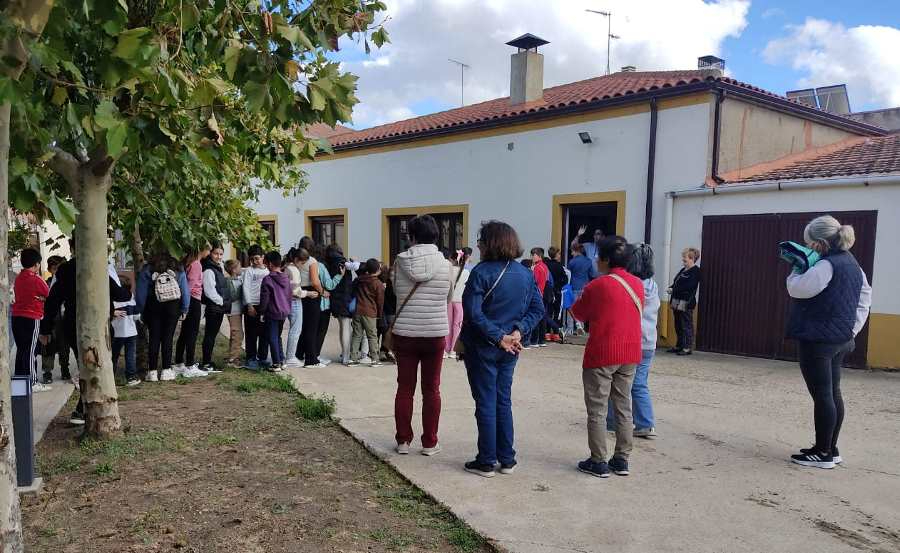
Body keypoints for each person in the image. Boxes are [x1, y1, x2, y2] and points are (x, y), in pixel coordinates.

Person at [785, 216, 871, 469]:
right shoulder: (853, 264)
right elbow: (865, 299)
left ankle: (822, 453)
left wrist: (797, 266)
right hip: (840, 339)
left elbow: (798, 289)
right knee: (832, 393)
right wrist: (852, 330)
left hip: (818, 341)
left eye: (808, 243)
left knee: (823, 396)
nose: (807, 247)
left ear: (819, 243)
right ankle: (830, 449)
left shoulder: (825, 265)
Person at [461, 221, 545, 477]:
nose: (478, 245)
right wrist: (518, 332)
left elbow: (473, 312)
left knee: (486, 402)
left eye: (481, 240)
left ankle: (487, 460)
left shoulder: (481, 272)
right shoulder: (525, 273)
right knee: (503, 400)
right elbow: (537, 309)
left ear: (491, 243)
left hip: (484, 345)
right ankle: (507, 458)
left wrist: (500, 337)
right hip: (511, 347)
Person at [571, 236, 644, 479]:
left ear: (605, 259)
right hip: (630, 352)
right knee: (624, 406)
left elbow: (579, 313)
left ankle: (598, 460)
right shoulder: (637, 284)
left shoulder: (598, 285)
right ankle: (622, 459)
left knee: (597, 409)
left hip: (603, 352)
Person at [41, 239, 133, 423]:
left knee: (86, 365)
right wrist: (127, 289)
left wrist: (46, 329)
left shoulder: (65, 270)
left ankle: (86, 407)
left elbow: (53, 301)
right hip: (98, 324)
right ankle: (86, 407)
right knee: (98, 364)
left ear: (72, 248)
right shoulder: (99, 267)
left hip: (73, 324)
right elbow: (120, 294)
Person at [391, 215, 453, 457]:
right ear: (435, 236)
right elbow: (448, 297)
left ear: (412, 236)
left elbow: (396, 292)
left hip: (405, 332)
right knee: (432, 389)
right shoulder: (446, 265)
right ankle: (429, 442)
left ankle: (403, 441)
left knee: (405, 388)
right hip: (434, 333)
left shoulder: (399, 262)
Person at [607, 243, 660, 438]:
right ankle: (645, 422)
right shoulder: (653, 285)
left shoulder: (629, 284)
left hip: (630, 340)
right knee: (639, 383)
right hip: (649, 341)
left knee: (616, 380)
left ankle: (613, 421)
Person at [135, 252, 193, 381]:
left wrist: (139, 310)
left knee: (154, 337)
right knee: (168, 337)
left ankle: (152, 372)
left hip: (152, 306)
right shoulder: (178, 268)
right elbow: (185, 291)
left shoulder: (148, 269)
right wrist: (184, 309)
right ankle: (166, 370)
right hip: (173, 306)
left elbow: (141, 293)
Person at [12, 248, 51, 392]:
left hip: (16, 317)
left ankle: (19, 383)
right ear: (36, 264)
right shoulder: (36, 279)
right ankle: (33, 382)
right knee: (30, 350)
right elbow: (48, 293)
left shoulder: (18, 278)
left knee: (21, 350)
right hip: (32, 317)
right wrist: (42, 299)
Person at [174, 245, 209, 374]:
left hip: (189, 300)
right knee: (192, 333)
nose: (209, 252)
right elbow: (190, 285)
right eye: (208, 250)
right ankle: (190, 364)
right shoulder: (196, 264)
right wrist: (186, 302)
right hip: (193, 300)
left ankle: (179, 362)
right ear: (201, 250)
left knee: (184, 332)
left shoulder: (190, 263)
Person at [294, 236, 326, 368]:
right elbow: (315, 281)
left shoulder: (295, 260)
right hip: (312, 294)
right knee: (312, 328)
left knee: (302, 326)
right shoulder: (311, 261)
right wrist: (323, 292)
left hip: (299, 292)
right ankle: (311, 359)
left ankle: (298, 354)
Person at [258, 251, 292, 371]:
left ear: (270, 264)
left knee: (272, 337)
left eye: (266, 264)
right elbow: (289, 295)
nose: (266, 266)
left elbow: (265, 298)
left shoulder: (267, 279)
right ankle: (281, 361)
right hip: (284, 311)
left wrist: (261, 312)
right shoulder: (286, 278)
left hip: (272, 312)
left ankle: (276, 363)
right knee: (277, 336)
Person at [200, 243, 230, 372]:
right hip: (214, 307)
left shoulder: (218, 267)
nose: (219, 256)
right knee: (210, 336)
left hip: (218, 307)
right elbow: (209, 291)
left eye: (221, 254)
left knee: (212, 335)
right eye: (216, 253)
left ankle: (208, 361)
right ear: (210, 254)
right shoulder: (209, 270)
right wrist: (222, 302)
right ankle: (206, 363)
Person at [349, 258, 385, 367]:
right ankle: (375, 359)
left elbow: (352, 292)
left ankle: (353, 359)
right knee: (372, 336)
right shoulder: (378, 283)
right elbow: (380, 301)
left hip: (357, 310)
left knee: (356, 335)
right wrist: (379, 314)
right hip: (370, 312)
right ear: (378, 270)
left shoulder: (358, 280)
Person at [314, 244, 345, 365]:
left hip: (309, 301)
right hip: (322, 304)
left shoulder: (308, 264)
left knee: (311, 330)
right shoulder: (321, 266)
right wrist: (340, 276)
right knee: (320, 331)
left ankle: (308, 354)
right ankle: (315, 355)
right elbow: (330, 285)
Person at [325, 245, 356, 365]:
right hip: (345, 298)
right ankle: (346, 356)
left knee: (342, 327)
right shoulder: (343, 262)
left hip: (335, 299)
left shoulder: (329, 263)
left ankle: (344, 353)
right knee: (346, 327)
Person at [41, 255, 70, 384]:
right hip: (50, 319)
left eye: (59, 268)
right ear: (50, 269)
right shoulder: (46, 283)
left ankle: (65, 369)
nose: (57, 271)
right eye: (54, 269)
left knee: (64, 346)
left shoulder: (66, 283)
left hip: (63, 318)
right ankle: (47, 372)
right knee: (48, 346)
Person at [668, 247, 701, 356]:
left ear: (692, 259)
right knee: (678, 324)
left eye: (685, 258)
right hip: (676, 301)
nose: (683, 260)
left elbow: (689, 286)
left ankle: (687, 347)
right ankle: (680, 345)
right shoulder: (683, 270)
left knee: (686, 324)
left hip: (686, 302)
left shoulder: (695, 271)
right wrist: (671, 287)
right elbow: (677, 282)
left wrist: (674, 289)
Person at [241, 245, 270, 370]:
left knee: (264, 333)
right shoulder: (249, 271)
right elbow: (245, 287)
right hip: (252, 305)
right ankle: (251, 358)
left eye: (257, 258)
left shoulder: (268, 271)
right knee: (251, 333)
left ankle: (262, 358)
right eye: (252, 259)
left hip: (264, 306)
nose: (255, 261)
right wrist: (249, 305)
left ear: (263, 257)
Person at [111, 275, 140, 386]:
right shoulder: (131, 299)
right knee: (130, 355)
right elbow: (136, 316)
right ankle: (131, 377)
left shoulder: (113, 300)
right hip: (131, 332)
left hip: (117, 333)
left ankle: (110, 377)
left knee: (113, 355)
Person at [446, 249, 470, 359]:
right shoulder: (466, 272)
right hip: (460, 302)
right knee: (457, 326)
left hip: (449, 300)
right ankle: (453, 350)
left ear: (453, 260)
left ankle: (445, 350)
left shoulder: (449, 271)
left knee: (448, 325)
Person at [567, 243, 596, 335]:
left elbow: (568, 274)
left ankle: (570, 328)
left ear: (576, 251)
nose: (571, 253)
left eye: (572, 251)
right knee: (582, 308)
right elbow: (592, 274)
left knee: (571, 307)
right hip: (585, 287)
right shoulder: (588, 261)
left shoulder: (572, 262)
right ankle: (581, 326)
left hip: (574, 286)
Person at [545, 247, 568, 339]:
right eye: (558, 254)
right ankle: (555, 333)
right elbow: (565, 279)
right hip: (557, 292)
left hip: (548, 292)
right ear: (555, 255)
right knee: (557, 312)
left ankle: (547, 333)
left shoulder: (546, 265)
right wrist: (559, 285)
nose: (560, 256)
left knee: (548, 312)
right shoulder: (559, 266)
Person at [224, 259, 244, 367]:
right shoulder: (229, 281)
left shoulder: (238, 279)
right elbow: (231, 296)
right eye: (239, 267)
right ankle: (233, 359)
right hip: (233, 311)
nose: (241, 269)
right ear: (234, 270)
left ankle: (231, 355)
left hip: (237, 310)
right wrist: (242, 288)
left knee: (234, 334)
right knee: (238, 334)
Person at [529, 248, 550, 348]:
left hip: (537, 294)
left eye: (533, 255)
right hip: (544, 293)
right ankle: (542, 340)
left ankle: (534, 340)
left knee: (535, 316)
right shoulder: (545, 266)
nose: (532, 257)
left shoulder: (537, 268)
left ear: (539, 256)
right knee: (543, 317)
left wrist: (531, 271)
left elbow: (534, 281)